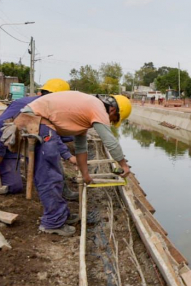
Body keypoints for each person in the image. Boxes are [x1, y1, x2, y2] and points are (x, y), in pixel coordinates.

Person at [17, 91, 132, 236]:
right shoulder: (98, 109)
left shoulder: (85, 112)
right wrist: (123, 164)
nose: (109, 122)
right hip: (38, 123)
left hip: (39, 122)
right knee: (49, 176)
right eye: (113, 119)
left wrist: (85, 175)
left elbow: (81, 148)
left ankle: (61, 215)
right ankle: (52, 222)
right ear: (113, 110)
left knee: (55, 174)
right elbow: (110, 141)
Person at [0, 78, 75, 196]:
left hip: (16, 146)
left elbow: (52, 135)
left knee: (50, 151)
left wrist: (74, 137)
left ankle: (63, 191)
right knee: (14, 186)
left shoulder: (48, 109)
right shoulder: (26, 106)